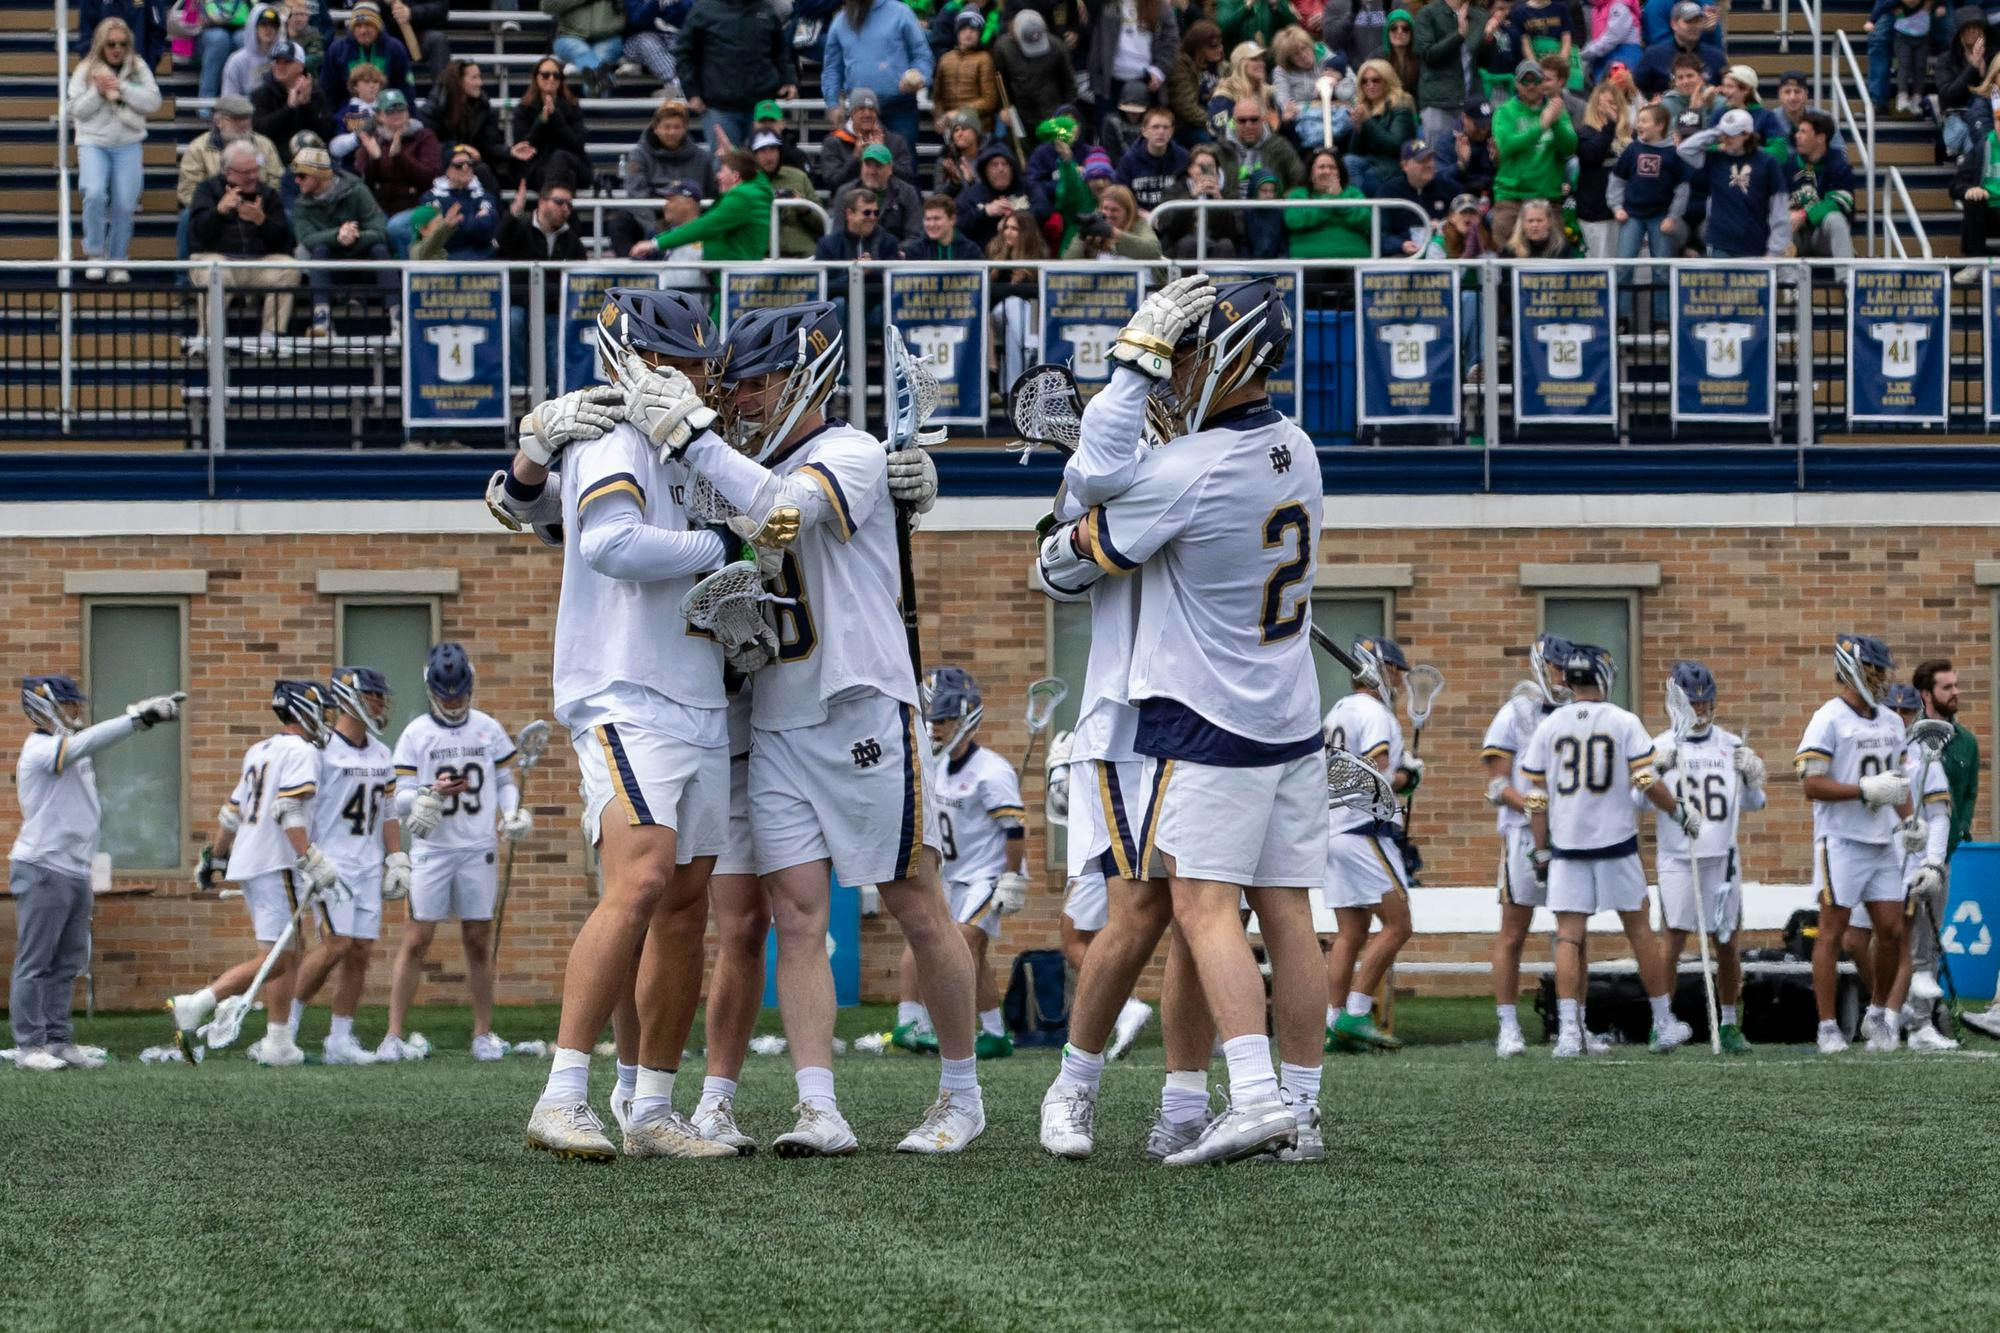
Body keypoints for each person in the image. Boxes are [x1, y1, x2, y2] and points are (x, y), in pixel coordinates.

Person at [631, 300, 988, 1156]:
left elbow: (784, 515)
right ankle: (818, 1104)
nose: (742, 398)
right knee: (795, 913)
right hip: (777, 714)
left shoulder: (851, 451)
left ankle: (962, 1093)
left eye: (758, 382)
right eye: (737, 384)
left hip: (858, 701)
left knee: (913, 901)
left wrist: (691, 438)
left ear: (806, 379)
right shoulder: (733, 462)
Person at [1036, 275, 1326, 1165]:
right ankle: (1296, 1111)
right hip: (1285, 712)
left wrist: (1127, 373)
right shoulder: (1299, 445)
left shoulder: (1186, 468)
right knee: (1276, 910)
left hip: (1198, 716)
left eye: (1187, 352)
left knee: (1196, 908)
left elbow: (1078, 521)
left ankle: (1251, 1097)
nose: (1174, 373)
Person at [521, 291, 742, 1161]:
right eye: (679, 364)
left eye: (699, 366)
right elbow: (608, 543)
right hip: (624, 688)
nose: (693, 381)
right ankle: (563, 1090)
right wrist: (723, 550)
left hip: (693, 688)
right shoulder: (611, 434)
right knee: (642, 876)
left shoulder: (696, 448)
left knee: (688, 903)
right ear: (637, 362)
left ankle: (652, 1106)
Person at [1522, 643, 1698, 1057]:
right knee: (1640, 934)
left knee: (1567, 937)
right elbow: (1645, 782)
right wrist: (1679, 812)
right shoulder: (1623, 721)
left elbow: (1536, 797)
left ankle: (1568, 1032)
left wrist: (1540, 849)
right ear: (1603, 676)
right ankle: (1663, 1021)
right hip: (1617, 843)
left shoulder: (1549, 726)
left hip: (1567, 847)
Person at [167, 681, 343, 1068]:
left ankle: (279, 1042)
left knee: (287, 951)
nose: (327, 720)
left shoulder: (259, 750)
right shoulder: (302, 752)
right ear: (304, 711)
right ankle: (197, 1004)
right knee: (280, 957)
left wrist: (216, 856)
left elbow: (231, 812)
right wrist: (309, 855)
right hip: (276, 860)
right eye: (323, 711)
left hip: (251, 860)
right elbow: (289, 810)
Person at [10, 678, 180, 1071]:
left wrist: (135, 722)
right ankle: (29, 1046)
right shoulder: (41, 749)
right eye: (69, 705)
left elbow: (87, 746)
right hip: (42, 866)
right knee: (36, 961)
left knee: (68, 961)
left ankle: (57, 1040)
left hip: (73, 869)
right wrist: (137, 719)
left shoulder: (68, 747)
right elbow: (85, 744)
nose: (76, 712)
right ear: (45, 707)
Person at [380, 643, 529, 1063]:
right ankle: (393, 1034)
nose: (453, 702)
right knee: (416, 938)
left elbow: (504, 778)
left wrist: (512, 812)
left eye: (459, 694)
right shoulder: (416, 735)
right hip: (433, 847)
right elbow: (400, 797)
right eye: (446, 696)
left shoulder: (487, 728)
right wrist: (429, 794)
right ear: (431, 691)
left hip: (478, 844)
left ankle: (483, 1032)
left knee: (478, 939)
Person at [893, 669, 1030, 1060]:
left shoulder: (992, 770)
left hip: (987, 875)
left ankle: (943, 1025)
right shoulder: (936, 767)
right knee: (927, 938)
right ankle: (984, 1032)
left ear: (966, 716)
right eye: (931, 720)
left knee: (965, 943)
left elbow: (1014, 828)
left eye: (943, 720)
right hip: (951, 875)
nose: (934, 728)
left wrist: (1010, 878)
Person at [1796, 634, 1917, 1055]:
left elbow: (1898, 782)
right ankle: (1827, 1026)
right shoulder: (1828, 718)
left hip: (1881, 841)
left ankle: (1879, 1011)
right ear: (1851, 670)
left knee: (1891, 930)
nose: (1881, 679)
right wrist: (1863, 789)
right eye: (1874, 670)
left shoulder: (1888, 720)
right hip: (1842, 841)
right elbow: (1811, 783)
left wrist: (1910, 822)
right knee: (1832, 930)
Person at [281, 667, 406, 1066]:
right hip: (330, 862)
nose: (381, 703)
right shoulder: (320, 750)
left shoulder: (382, 752)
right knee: (336, 945)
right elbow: (294, 808)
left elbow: (387, 810)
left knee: (360, 951)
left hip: (367, 863)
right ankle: (282, 1028)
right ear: (350, 698)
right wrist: (307, 856)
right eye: (374, 695)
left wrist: (395, 856)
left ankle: (340, 1038)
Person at [1645, 661, 1767, 1055]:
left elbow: (1754, 802)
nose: (1699, 709)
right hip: (1679, 856)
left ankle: (1730, 1024)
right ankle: (1662, 1021)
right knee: (1673, 938)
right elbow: (1637, 800)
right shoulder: (1660, 744)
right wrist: (1655, 769)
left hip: (1722, 854)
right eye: (1692, 703)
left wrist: (1751, 774)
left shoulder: (1731, 743)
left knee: (1727, 940)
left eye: (1705, 702)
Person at [1320, 636, 1421, 1053]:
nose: (1397, 678)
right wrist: (1407, 778)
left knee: (1352, 931)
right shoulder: (1376, 713)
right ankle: (1356, 1013)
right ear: (1380, 669)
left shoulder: (1337, 711)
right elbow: (1375, 774)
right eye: (1394, 669)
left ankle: (1330, 1021)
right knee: (1398, 925)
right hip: (1364, 831)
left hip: (1331, 829)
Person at [1481, 635, 1570, 1057]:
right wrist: (1533, 803)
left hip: (1570, 834)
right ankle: (1508, 1027)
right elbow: (1497, 785)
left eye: (1566, 668)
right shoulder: (1515, 713)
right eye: (1555, 667)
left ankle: (1574, 1026)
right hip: (1521, 833)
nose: (1562, 676)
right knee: (1514, 931)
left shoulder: (1573, 711)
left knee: (1573, 931)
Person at [69, 17, 160, 284]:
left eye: (122, 43)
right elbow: (76, 110)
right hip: (93, 142)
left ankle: (118, 258)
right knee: (94, 192)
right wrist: (98, 91)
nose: (117, 49)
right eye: (111, 44)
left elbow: (153, 101)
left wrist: (121, 87)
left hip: (128, 142)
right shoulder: (86, 69)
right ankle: (96, 254)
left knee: (124, 203)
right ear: (101, 45)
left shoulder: (138, 67)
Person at [191, 140, 297, 340]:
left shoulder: (268, 194)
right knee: (215, 272)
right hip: (218, 259)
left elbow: (283, 241)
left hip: (256, 263)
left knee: (289, 268)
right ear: (228, 172)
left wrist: (261, 220)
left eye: (255, 170)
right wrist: (219, 211)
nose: (253, 176)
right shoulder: (207, 190)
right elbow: (198, 234)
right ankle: (209, 339)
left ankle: (270, 335)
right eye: (246, 172)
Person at [290, 144, 389, 337]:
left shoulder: (357, 190)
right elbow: (306, 239)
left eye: (302, 175)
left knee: (380, 249)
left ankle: (397, 319)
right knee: (319, 251)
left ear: (318, 176)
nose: (296, 180)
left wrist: (354, 236)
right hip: (328, 261)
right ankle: (322, 320)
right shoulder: (301, 203)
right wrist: (338, 235)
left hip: (361, 258)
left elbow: (379, 230)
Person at [674, 0, 798, 150]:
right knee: (726, 168)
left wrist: (789, 79)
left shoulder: (767, 9)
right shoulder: (703, 9)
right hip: (719, 106)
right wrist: (691, 92)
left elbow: (780, 51)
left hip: (761, 106)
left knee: (763, 167)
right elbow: (684, 52)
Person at [498, 176, 585, 381]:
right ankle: (518, 393)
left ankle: (556, 400)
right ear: (542, 202)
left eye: (569, 204)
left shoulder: (573, 241)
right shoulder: (519, 229)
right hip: (519, 304)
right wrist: (514, 211)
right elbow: (500, 239)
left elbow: (578, 281)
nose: (565, 208)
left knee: (558, 332)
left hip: (553, 308)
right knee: (513, 321)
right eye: (559, 202)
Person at [177, 92, 281, 261]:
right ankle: (183, 277)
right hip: (213, 207)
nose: (242, 124)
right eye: (235, 119)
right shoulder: (197, 148)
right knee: (187, 217)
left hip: (258, 205)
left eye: (246, 118)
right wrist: (215, 206)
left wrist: (258, 203)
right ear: (218, 121)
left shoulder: (265, 145)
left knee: (287, 216)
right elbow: (187, 190)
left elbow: (275, 180)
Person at [610, 101, 717, 260]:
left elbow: (710, 194)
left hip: (690, 219)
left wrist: (690, 224)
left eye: (677, 127)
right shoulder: (639, 155)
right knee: (620, 222)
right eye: (667, 127)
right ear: (656, 128)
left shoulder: (701, 157)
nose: (672, 131)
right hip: (652, 217)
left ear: (685, 129)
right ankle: (630, 273)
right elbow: (636, 195)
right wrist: (654, 229)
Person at [1678, 109, 1791, 258]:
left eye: (1732, 134)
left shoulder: (1768, 162)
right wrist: (1716, 132)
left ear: (1746, 134)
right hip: (1720, 242)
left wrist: (1775, 250)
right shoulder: (1714, 159)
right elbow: (1684, 149)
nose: (1726, 138)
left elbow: (1780, 208)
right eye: (1725, 133)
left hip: (1755, 242)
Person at [820, 0, 934, 147]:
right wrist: (832, 102)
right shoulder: (840, 21)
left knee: (903, 165)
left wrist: (920, 75)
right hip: (859, 110)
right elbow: (832, 68)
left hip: (899, 108)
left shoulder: (901, 13)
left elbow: (923, 56)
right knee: (862, 166)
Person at [631, 149, 775, 260]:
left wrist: (656, 244)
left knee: (687, 249)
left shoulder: (742, 197)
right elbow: (758, 176)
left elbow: (706, 225)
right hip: (737, 272)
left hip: (737, 275)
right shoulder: (755, 190)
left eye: (722, 171)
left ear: (735, 176)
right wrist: (733, 152)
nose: (717, 175)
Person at [1489, 59, 1574, 243]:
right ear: (1516, 83)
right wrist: (1541, 125)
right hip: (1511, 199)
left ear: (1542, 82)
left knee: (1553, 262)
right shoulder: (1504, 112)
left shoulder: (1556, 110)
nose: (1530, 85)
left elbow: (1569, 147)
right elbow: (1506, 145)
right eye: (1524, 80)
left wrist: (1556, 122)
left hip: (1548, 199)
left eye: (1535, 80)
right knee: (1506, 263)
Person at [1413, 0, 1501, 144]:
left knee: (1472, 159)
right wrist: (1459, 35)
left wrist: (1488, 39)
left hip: (1470, 102)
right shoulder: (1427, 14)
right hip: (1439, 102)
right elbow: (1427, 54)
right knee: (1439, 158)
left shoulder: (1479, 16)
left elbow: (1484, 62)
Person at [354, 89, 440, 226]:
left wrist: (399, 156)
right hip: (380, 208)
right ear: (379, 116)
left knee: (395, 227)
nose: (396, 114)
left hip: (415, 206)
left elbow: (427, 176)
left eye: (401, 109)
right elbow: (365, 184)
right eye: (390, 111)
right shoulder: (373, 140)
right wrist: (374, 159)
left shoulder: (424, 136)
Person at [995, 10, 1080, 144]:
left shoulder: (1057, 46)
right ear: (1014, 35)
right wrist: (1003, 107)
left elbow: (1069, 84)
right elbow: (1000, 83)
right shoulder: (1002, 49)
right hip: (1020, 117)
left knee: (1057, 153)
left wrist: (1068, 110)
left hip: (1053, 114)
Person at [987, 206, 1050, 388]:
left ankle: (1014, 389)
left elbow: (1042, 293)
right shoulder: (996, 250)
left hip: (1028, 318)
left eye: (1014, 229)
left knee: (1013, 337)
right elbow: (987, 291)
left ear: (1025, 232)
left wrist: (1025, 280)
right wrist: (1000, 266)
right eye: (1006, 227)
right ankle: (1032, 348)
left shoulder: (1038, 255)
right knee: (1014, 304)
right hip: (996, 316)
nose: (1008, 232)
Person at [509, 59, 592, 193]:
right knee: (555, 172)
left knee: (559, 159)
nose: (551, 78)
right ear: (536, 77)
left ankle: (552, 208)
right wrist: (542, 119)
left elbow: (577, 145)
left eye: (556, 75)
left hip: (569, 165)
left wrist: (556, 117)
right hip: (535, 168)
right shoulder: (523, 109)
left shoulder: (572, 106)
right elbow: (523, 147)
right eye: (546, 75)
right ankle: (561, 209)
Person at [1783, 109, 1858, 259]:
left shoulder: (1839, 165)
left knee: (1835, 219)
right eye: (1798, 131)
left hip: (1823, 237)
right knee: (1779, 221)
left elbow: (1839, 201)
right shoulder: (1787, 165)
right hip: (1795, 235)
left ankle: (1846, 279)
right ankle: (1786, 281)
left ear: (1820, 138)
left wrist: (1805, 214)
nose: (1797, 136)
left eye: (1803, 132)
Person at [815, 88, 919, 193]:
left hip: (889, 202)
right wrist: (855, 158)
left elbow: (908, 178)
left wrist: (884, 155)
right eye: (861, 109)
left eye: (871, 109)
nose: (867, 114)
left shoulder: (895, 141)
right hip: (849, 203)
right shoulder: (834, 142)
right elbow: (832, 183)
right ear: (852, 113)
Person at [317, 1, 411, 113]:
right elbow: (327, 90)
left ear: (378, 27)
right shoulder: (337, 50)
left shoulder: (394, 48)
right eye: (358, 26)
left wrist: (411, 117)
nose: (363, 31)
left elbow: (406, 87)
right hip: (348, 113)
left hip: (388, 112)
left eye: (368, 25)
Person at [251, 38, 332, 166]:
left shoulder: (315, 92)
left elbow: (326, 133)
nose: (280, 66)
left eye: (287, 62)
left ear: (301, 66)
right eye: (277, 62)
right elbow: (260, 129)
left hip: (310, 160)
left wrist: (307, 104)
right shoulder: (262, 93)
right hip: (274, 159)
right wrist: (289, 108)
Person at [423, 60, 510, 175]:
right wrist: (460, 149)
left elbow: (489, 145)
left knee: (489, 171)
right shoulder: (435, 107)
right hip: (441, 164)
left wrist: (510, 151)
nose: (480, 83)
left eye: (479, 77)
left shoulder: (483, 107)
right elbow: (428, 145)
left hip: (471, 162)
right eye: (474, 78)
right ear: (459, 81)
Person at [415, 145, 501, 259]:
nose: (465, 168)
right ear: (447, 171)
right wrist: (473, 221)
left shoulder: (485, 196)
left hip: (482, 257)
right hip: (445, 258)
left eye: (469, 163)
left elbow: (488, 229)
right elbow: (436, 236)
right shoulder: (430, 198)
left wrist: (453, 225)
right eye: (458, 165)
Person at [1285, 147, 1373, 258]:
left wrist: (1340, 198)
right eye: (1321, 167)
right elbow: (1294, 221)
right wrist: (1330, 200)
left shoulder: (1353, 193)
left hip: (1352, 258)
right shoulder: (1298, 195)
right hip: (1309, 260)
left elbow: (1366, 221)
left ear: (1340, 173)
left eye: (1332, 167)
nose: (1327, 171)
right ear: (1311, 173)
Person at [955, 143, 1048, 248]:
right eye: (994, 165)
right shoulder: (972, 194)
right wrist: (986, 211)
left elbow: (1043, 209)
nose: (1001, 169)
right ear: (985, 170)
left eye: (1005, 164)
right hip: (983, 257)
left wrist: (1014, 219)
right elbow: (957, 223)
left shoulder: (1028, 187)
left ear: (1012, 168)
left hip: (1025, 253)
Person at [835, 143, 925, 247]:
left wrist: (887, 254)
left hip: (894, 257)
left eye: (878, 165)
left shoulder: (908, 193)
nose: (872, 171)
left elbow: (914, 236)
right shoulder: (844, 193)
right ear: (861, 166)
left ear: (890, 168)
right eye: (868, 165)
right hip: (854, 257)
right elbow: (838, 234)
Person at [1635, 0, 1724, 98]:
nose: (1694, 26)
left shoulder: (1715, 56)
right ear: (1674, 24)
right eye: (1689, 21)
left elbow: (1724, 87)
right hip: (1665, 110)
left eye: (1698, 21)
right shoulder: (1654, 55)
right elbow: (1637, 87)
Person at [542, 0, 626, 98]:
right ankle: (602, 86)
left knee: (600, 57)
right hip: (569, 36)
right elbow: (547, 6)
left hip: (608, 36)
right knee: (582, 53)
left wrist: (620, 22)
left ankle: (596, 99)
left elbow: (629, 6)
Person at [757, 132, 822, 257]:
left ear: (780, 152)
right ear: (754, 155)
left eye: (773, 149)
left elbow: (822, 224)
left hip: (802, 252)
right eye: (762, 150)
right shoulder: (745, 181)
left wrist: (804, 210)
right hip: (760, 253)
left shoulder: (799, 177)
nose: (768, 156)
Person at [936, 10, 1001, 132]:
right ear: (957, 33)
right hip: (951, 129)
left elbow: (990, 100)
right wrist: (939, 118)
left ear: (979, 34)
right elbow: (937, 97)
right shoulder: (945, 59)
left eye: (973, 30)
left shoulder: (985, 59)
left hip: (979, 130)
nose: (968, 33)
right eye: (964, 29)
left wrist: (959, 113)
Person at [1223, 94, 1303, 192]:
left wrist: (1285, 199)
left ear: (1263, 120)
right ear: (1234, 122)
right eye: (1242, 120)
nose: (1248, 125)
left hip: (1271, 205)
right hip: (1231, 206)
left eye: (1254, 119)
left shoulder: (1280, 146)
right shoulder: (1222, 149)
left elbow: (1299, 178)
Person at [1118, 105, 1191, 210]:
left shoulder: (1183, 157)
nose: (1161, 132)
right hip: (1139, 217)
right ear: (1144, 131)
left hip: (1174, 216)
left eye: (1166, 127)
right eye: (1155, 127)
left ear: (1171, 132)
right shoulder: (1129, 159)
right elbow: (1122, 196)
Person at [221, 4, 286, 100]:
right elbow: (229, 99)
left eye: (273, 25)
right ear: (254, 27)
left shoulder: (284, 59)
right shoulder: (237, 61)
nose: (269, 29)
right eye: (263, 24)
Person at [905, 192, 986, 258]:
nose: (931, 224)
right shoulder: (914, 251)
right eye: (928, 219)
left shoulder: (971, 251)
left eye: (937, 218)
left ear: (952, 220)